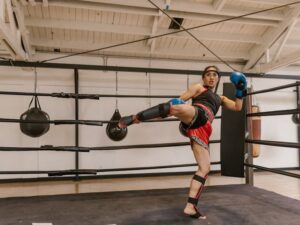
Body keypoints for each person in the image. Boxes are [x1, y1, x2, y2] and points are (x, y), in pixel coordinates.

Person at [118, 65, 247, 219]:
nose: (211, 77)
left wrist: (241, 89)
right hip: (198, 113)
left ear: (218, 78)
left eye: (214, 74)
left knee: (205, 168)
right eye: (208, 74)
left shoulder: (221, 98)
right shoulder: (198, 88)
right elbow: (181, 99)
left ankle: (191, 207)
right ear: (203, 77)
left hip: (203, 129)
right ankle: (135, 118)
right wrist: (179, 107)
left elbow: (238, 107)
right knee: (174, 105)